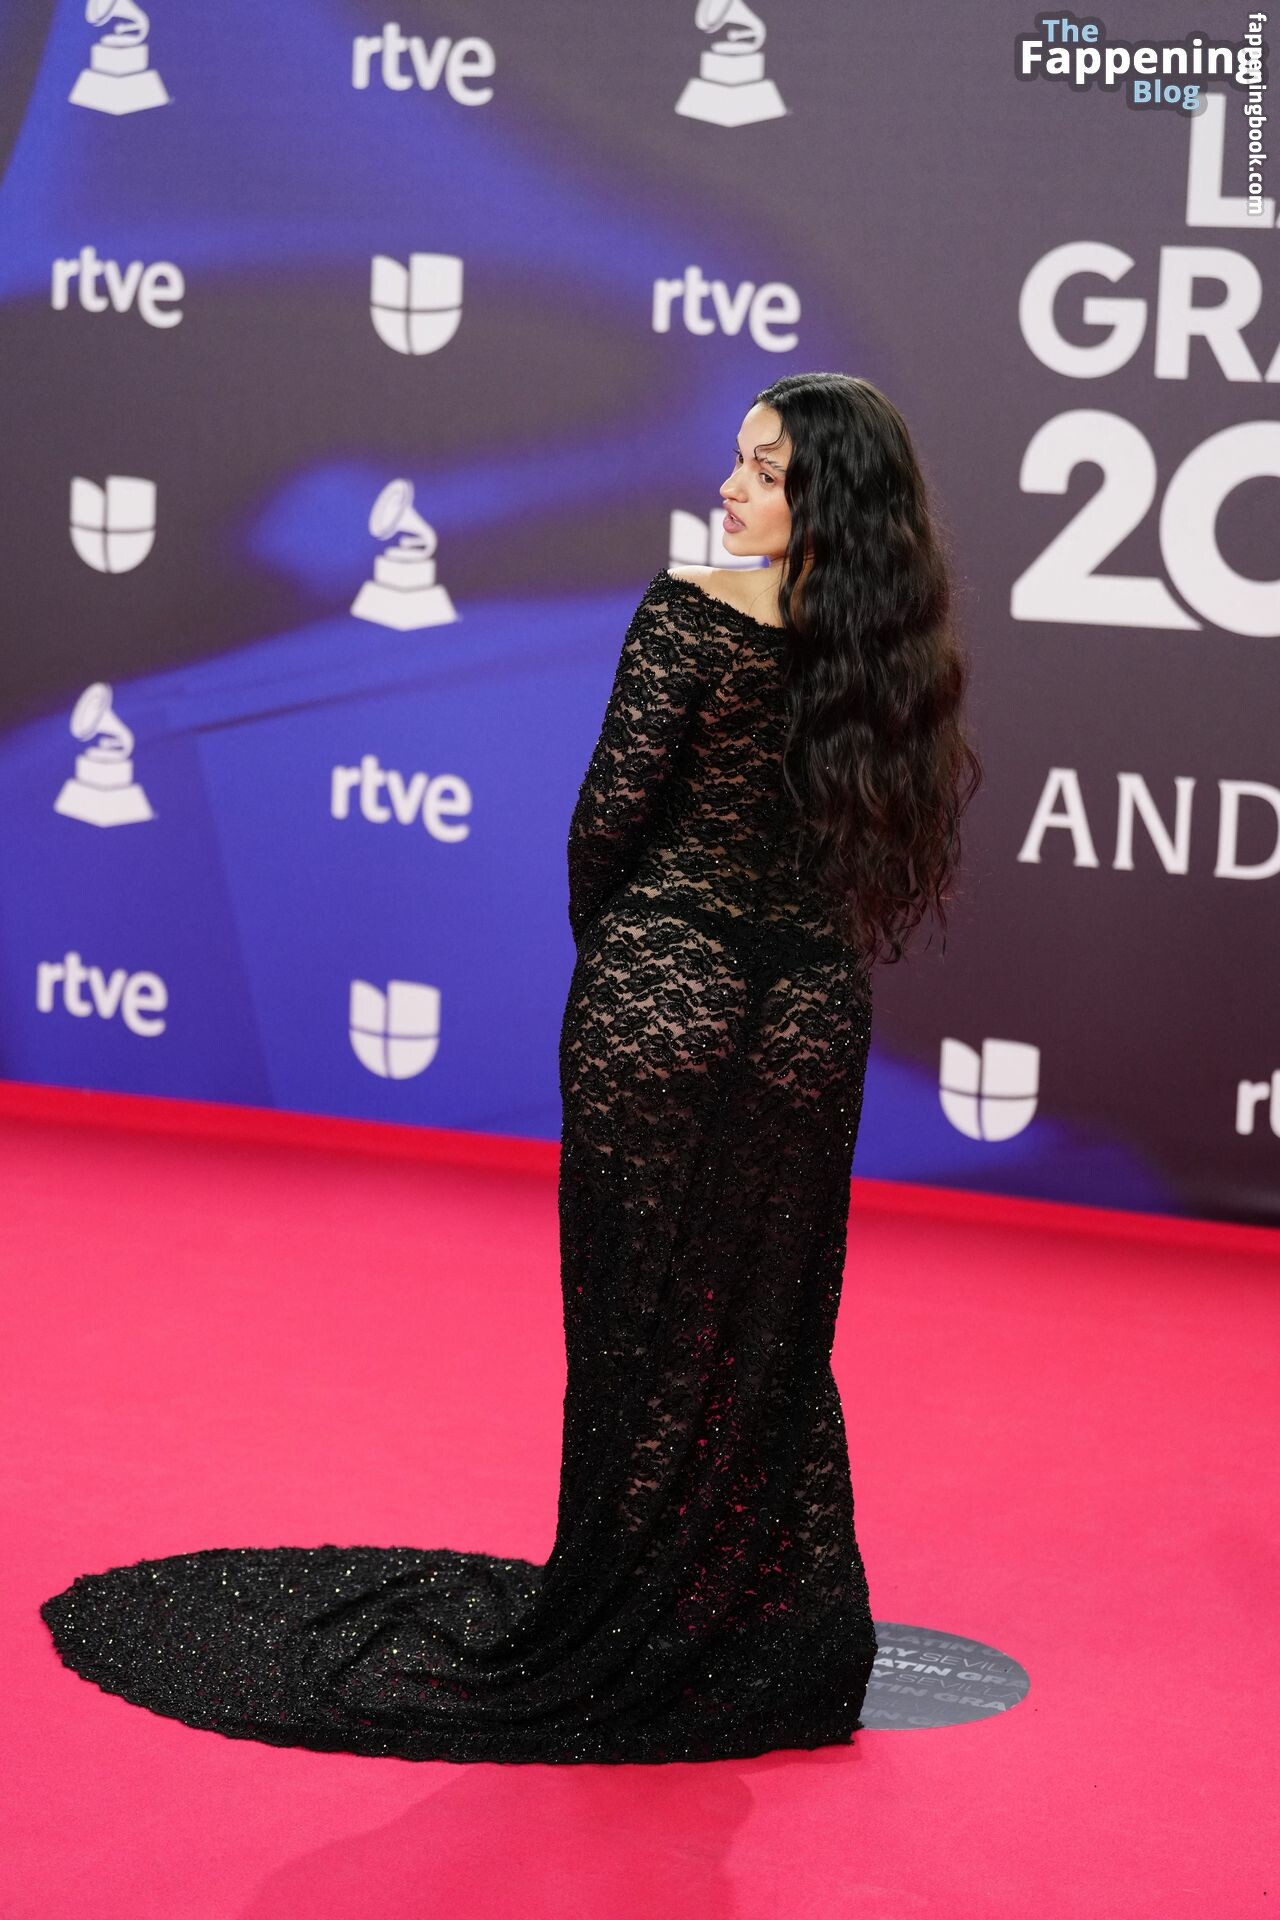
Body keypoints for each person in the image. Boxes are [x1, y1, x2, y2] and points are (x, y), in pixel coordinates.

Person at [40, 371, 982, 1764]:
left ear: (829, 499)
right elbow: (861, 865)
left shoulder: (692, 610)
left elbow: (608, 821)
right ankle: (752, 1633)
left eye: (766, 471)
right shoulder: (892, 662)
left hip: (664, 992)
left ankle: (618, 1625)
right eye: (737, 459)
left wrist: (627, 956)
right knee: (769, 1331)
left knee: (634, 1324)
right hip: (808, 1014)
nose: (730, 487)